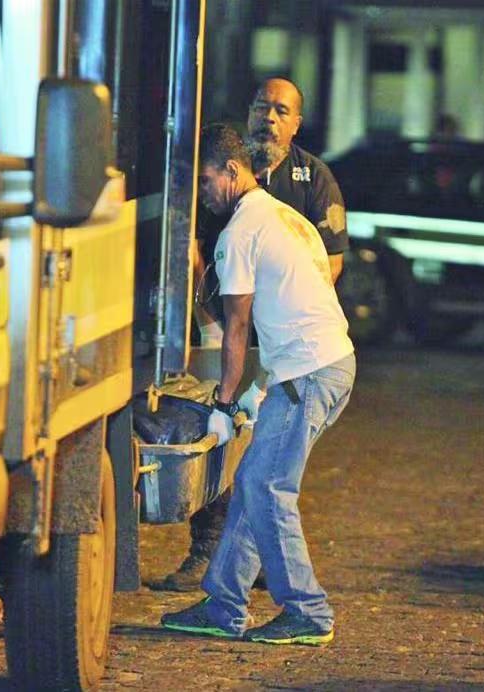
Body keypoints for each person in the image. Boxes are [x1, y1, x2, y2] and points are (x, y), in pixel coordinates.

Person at [160, 123, 355, 644]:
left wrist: (224, 401)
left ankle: (308, 612)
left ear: (231, 170)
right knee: (254, 482)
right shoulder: (283, 216)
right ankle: (224, 603)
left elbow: (237, 329)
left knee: (268, 488)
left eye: (204, 182)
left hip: (308, 372)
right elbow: (294, 304)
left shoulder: (240, 233)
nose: (202, 194)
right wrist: (260, 387)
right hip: (328, 362)